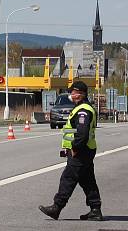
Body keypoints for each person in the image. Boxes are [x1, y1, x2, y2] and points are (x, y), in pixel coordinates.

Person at [39, 80, 104, 221]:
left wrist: (75, 147)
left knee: (68, 178)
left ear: (81, 94)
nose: (71, 95)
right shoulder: (81, 108)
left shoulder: (83, 111)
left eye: (73, 92)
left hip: (81, 151)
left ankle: (57, 207)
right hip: (86, 150)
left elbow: (82, 134)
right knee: (87, 180)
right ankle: (95, 209)